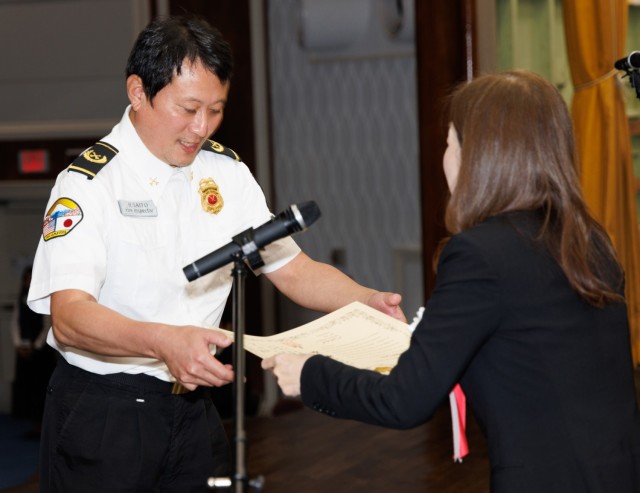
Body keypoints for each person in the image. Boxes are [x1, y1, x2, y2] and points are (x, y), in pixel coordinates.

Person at [27, 15, 404, 493]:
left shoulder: (225, 173)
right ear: (138, 92)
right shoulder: (88, 185)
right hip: (106, 412)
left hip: (193, 408)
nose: (201, 127)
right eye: (188, 109)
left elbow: (293, 269)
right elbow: (71, 318)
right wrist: (163, 342)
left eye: (215, 110)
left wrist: (364, 301)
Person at [262, 70, 640, 493]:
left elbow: (403, 400)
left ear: (476, 157)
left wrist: (309, 372)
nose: (445, 156)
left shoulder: (480, 255)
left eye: (449, 142)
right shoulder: (589, 239)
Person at [10, 265, 55, 436]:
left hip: (40, 354)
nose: (28, 282)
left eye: (31, 278)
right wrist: (18, 344)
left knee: (41, 389)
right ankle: (34, 425)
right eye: (26, 278)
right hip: (24, 351)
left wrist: (35, 347)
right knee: (28, 389)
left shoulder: (44, 297)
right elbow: (15, 322)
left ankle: (43, 427)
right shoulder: (20, 298)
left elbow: (47, 325)